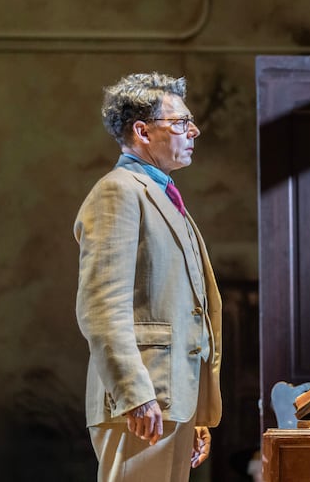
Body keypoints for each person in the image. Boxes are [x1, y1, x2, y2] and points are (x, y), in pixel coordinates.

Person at [75, 72, 222, 481]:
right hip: (141, 404)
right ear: (141, 131)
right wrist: (136, 395)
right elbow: (101, 308)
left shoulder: (160, 193)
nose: (193, 131)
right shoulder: (118, 191)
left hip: (171, 399)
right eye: (179, 123)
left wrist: (193, 407)